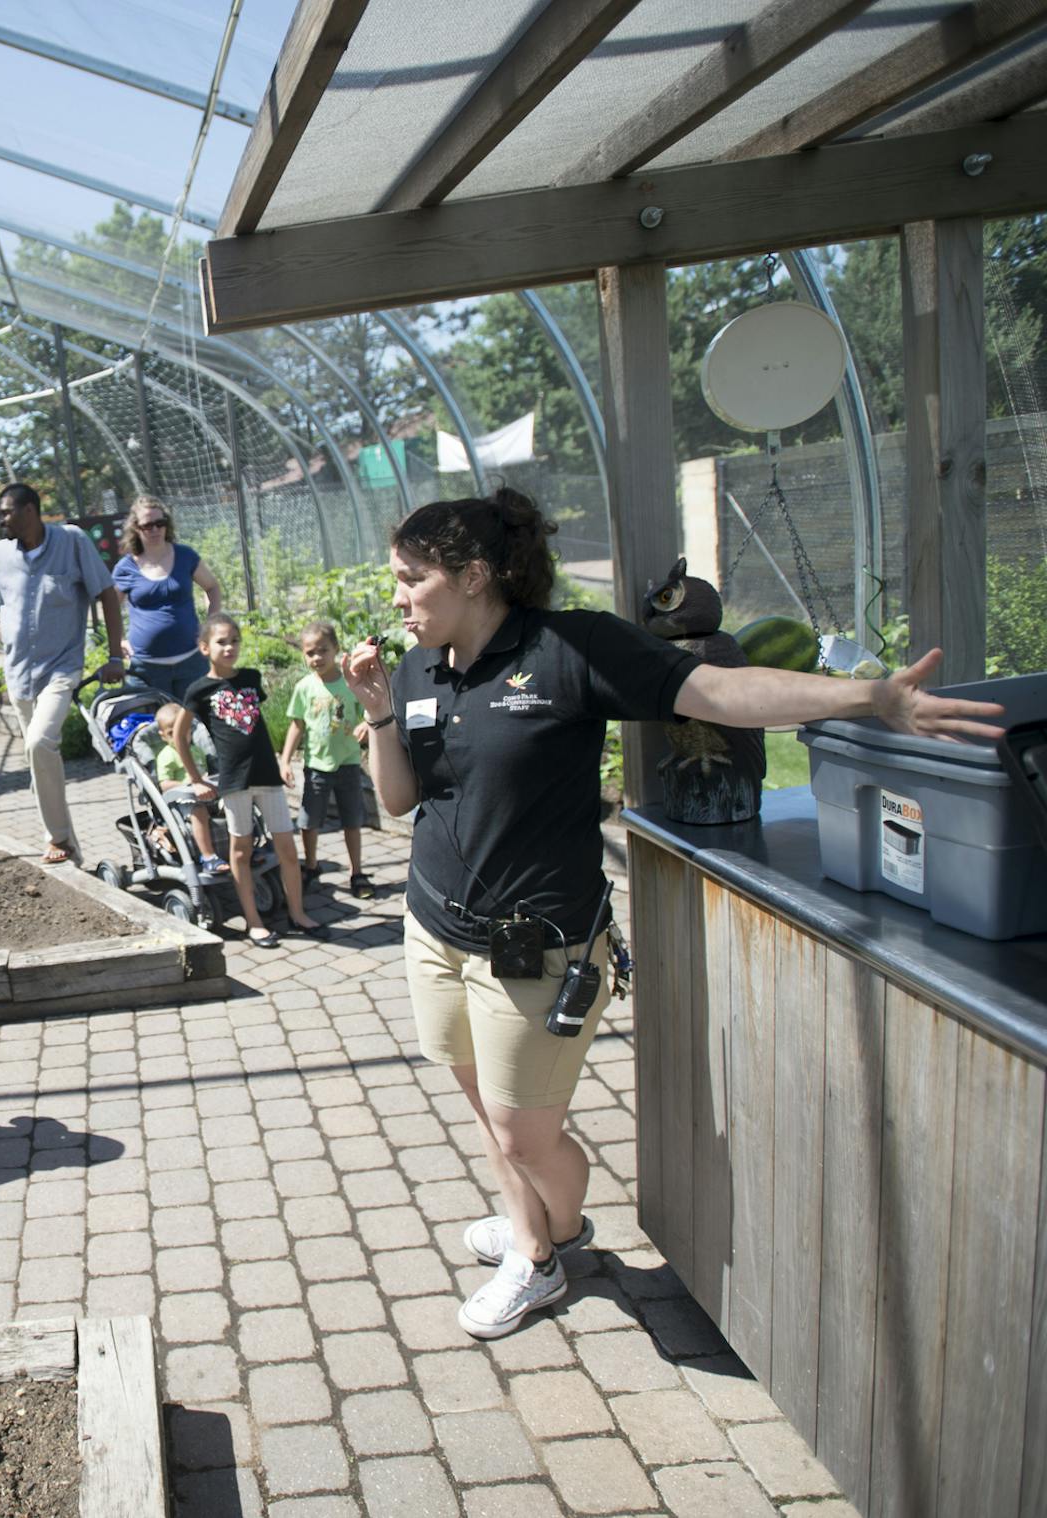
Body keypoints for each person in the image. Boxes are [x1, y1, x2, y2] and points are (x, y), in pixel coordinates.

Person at [341, 489, 1006, 1340]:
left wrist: (870, 699)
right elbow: (399, 803)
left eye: (411, 578)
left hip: (535, 946)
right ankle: (535, 1229)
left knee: (522, 1131)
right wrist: (379, 715)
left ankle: (545, 1255)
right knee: (483, 1108)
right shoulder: (414, 667)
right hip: (434, 932)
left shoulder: (566, 650)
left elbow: (721, 692)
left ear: (473, 576)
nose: (397, 595)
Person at [0, 482, 126, 865]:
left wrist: (115, 654)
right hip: (19, 673)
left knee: (39, 743)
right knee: (40, 764)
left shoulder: (71, 541)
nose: (0, 519)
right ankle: (72, 851)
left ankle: (57, 838)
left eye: (6, 512)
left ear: (30, 511)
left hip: (61, 668)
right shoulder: (0, 554)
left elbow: (105, 592)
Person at [175, 614, 326, 947]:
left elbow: (254, 727)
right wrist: (196, 778)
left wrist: (282, 762)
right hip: (234, 782)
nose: (229, 647)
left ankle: (298, 913)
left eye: (234, 640)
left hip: (266, 776)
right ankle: (253, 921)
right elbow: (179, 734)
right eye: (221, 641)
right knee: (241, 851)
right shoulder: (200, 690)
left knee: (287, 847)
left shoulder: (251, 678)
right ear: (204, 648)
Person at [280, 623, 376, 900]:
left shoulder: (350, 682)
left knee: (352, 820)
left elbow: (370, 710)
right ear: (303, 656)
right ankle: (311, 866)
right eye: (310, 653)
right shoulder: (304, 687)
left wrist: (367, 724)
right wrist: (285, 761)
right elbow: (296, 725)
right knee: (310, 820)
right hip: (316, 767)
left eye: (323, 650)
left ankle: (356, 872)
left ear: (336, 648)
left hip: (348, 763)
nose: (317, 657)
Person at [110, 496, 225, 699]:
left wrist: (211, 623)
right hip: (145, 668)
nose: (155, 530)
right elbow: (111, 607)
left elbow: (212, 587)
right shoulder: (125, 568)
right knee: (153, 728)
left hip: (192, 662)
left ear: (167, 525)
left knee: (199, 724)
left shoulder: (185, 556)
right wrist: (118, 641)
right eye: (148, 525)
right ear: (136, 528)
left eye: (160, 524)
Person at [152, 702, 225, 877]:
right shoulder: (166, 756)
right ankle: (209, 857)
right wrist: (190, 783)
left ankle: (245, 848)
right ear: (162, 736)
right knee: (198, 811)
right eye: (172, 733)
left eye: (184, 730)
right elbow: (164, 784)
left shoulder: (196, 750)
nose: (180, 736)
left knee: (235, 803)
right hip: (182, 801)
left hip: (207, 795)